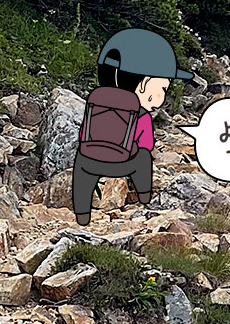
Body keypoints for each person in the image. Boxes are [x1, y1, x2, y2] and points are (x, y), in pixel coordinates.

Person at [71, 28, 192, 227]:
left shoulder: (96, 100)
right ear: (143, 85)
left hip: (88, 160)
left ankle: (82, 214)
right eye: (162, 88)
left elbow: (84, 133)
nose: (162, 96)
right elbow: (146, 144)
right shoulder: (141, 114)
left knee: (81, 164)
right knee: (143, 157)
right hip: (121, 162)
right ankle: (144, 198)